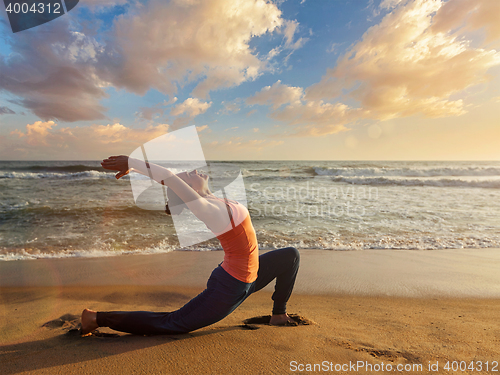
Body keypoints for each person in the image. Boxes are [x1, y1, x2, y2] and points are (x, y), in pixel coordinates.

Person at [80, 155, 300, 335]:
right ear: (187, 190)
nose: (194, 171)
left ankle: (278, 314)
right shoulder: (207, 209)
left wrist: (137, 171)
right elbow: (166, 176)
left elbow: (168, 178)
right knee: (172, 323)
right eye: (188, 174)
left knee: (290, 255)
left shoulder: (216, 200)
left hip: (251, 278)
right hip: (229, 288)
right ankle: (96, 318)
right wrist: (132, 162)